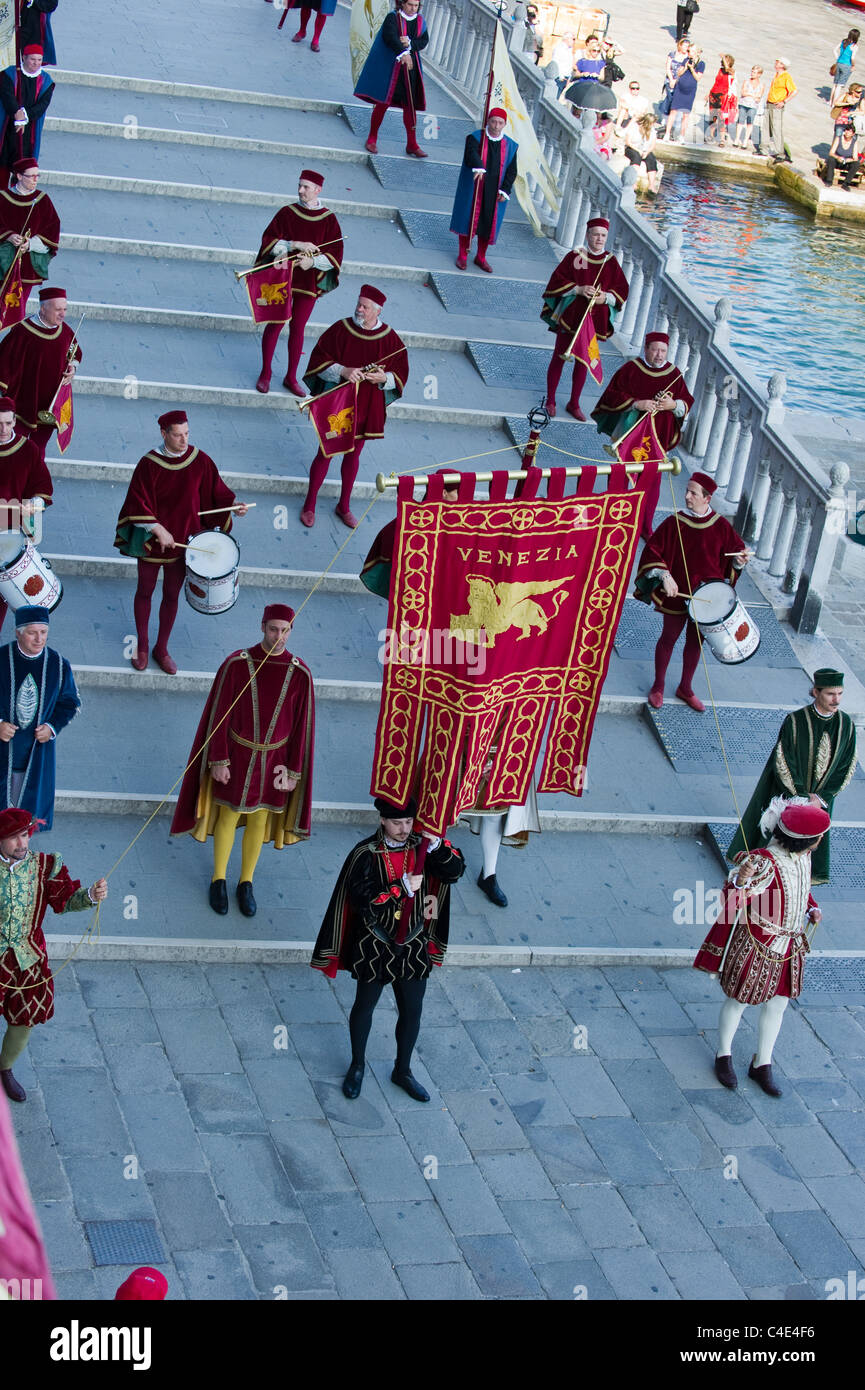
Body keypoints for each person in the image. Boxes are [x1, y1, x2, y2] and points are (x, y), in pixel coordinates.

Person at [311, 795, 465, 1102]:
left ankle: (403, 1070)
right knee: (364, 1006)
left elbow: (455, 872)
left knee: (412, 1010)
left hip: (413, 942)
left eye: (409, 821)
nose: (404, 828)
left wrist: (437, 847)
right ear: (382, 820)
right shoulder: (365, 853)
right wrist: (400, 889)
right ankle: (357, 1066)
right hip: (375, 943)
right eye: (397, 822)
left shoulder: (423, 848)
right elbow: (361, 898)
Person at [171, 604, 315, 918]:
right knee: (229, 817)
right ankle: (218, 879)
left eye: (285, 630)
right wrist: (219, 759)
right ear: (262, 627)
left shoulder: (300, 673)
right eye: (273, 629)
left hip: (275, 761)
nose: (279, 636)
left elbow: (302, 726)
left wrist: (293, 771)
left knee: (261, 820)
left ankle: (245, 882)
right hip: (237, 756)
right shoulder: (236, 664)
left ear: (291, 631)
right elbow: (218, 715)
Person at [694, 800, 830, 1098]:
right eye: (819, 837)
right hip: (758, 945)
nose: (821, 842)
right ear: (806, 839)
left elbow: (801, 891)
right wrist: (741, 881)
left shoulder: (803, 858)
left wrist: (811, 909)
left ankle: (762, 1062)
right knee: (739, 999)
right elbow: (730, 906)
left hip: (789, 947)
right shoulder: (764, 863)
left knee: (778, 1004)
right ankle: (723, 1054)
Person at [114, 410, 248, 675]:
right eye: (177, 435)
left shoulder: (200, 460)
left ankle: (161, 649)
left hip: (186, 543)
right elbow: (136, 502)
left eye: (186, 433)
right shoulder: (149, 464)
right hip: (153, 542)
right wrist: (157, 528)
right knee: (145, 591)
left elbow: (216, 492)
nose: (184, 440)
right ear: (164, 434)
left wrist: (233, 506)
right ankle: (142, 646)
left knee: (171, 595)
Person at [0, 806, 107, 1104]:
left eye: (24, 835)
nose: (22, 843)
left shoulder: (45, 866)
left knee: (23, 1024)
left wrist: (89, 896)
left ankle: (5, 1068)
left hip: (28, 960)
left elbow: (64, 901)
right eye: (12, 838)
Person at [634, 471, 749, 712]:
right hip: (678, 596)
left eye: (693, 493)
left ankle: (685, 687)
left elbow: (736, 551)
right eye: (687, 491)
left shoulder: (720, 525)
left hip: (706, 599)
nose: (686, 496)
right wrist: (665, 575)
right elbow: (652, 551)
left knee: (695, 643)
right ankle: (658, 686)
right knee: (668, 640)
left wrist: (740, 560)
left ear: (707, 499)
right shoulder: (675, 522)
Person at [727, 670, 856, 884]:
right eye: (831, 694)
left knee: (812, 840)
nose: (836, 700)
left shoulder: (846, 725)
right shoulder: (795, 721)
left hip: (821, 800)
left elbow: (847, 765)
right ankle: (762, 873)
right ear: (816, 692)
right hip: (791, 794)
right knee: (779, 839)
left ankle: (801, 877)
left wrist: (821, 798)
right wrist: (803, 797)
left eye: (840, 694)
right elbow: (784, 760)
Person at [300, 284, 408, 529]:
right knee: (325, 453)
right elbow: (318, 359)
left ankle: (344, 506)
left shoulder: (390, 339)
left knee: (353, 455)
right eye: (358, 304)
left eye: (365, 307)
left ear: (377, 311)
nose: (359, 309)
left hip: (367, 405)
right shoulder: (341, 329)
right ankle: (309, 504)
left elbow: (400, 370)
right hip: (339, 404)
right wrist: (344, 370)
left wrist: (385, 379)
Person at [591, 329, 693, 531]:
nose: (659, 355)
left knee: (652, 481)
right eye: (655, 350)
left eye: (663, 351)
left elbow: (687, 401)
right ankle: (613, 519)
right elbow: (611, 396)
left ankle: (645, 525)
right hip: (630, 432)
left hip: (659, 437)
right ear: (646, 349)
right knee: (620, 475)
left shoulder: (674, 374)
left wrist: (673, 405)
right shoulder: (631, 369)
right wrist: (637, 404)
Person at [254, 169, 343, 396]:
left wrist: (312, 264)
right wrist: (294, 244)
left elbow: (335, 254)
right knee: (275, 322)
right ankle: (265, 373)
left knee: (298, 328)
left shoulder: (329, 219)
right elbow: (269, 241)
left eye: (306, 187)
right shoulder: (287, 213)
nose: (300, 190)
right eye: (300, 185)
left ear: (317, 190)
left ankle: (291, 377)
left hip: (308, 281)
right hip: (283, 278)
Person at [541, 216, 629, 421]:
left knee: (583, 361)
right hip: (571, 316)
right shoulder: (576, 256)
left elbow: (622, 290)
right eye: (596, 234)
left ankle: (574, 402)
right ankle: (551, 400)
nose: (599, 239)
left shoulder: (611, 262)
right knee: (559, 357)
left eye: (603, 235)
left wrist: (604, 298)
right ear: (588, 235)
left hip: (593, 322)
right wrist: (578, 289)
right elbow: (556, 280)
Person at [0, 607, 79, 831]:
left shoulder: (58, 664)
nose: (39, 639)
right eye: (32, 633)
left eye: (44, 632)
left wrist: (52, 727)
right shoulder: (1, 659)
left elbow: (70, 702)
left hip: (36, 752)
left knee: (25, 818)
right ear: (18, 633)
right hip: (3, 749)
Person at [0, 286, 80, 460]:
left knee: (38, 450)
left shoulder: (65, 331)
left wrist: (73, 367)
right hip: (22, 404)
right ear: (43, 309)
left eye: (65, 309)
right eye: (58, 309)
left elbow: (75, 352)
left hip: (49, 407)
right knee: (14, 447)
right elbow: (3, 362)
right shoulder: (22, 332)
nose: (63, 314)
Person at [0, 396, 53, 635]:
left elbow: (43, 487)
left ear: (14, 422)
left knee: (3, 589)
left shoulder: (28, 450)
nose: (3, 429)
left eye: (8, 423)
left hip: (10, 530)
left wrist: (33, 504)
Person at [354, 0, 429, 158]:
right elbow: (390, 38)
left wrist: (410, 44)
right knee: (382, 103)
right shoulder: (392, 18)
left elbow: (423, 40)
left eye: (416, 6)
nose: (412, 9)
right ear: (402, 4)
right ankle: (372, 137)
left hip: (410, 70)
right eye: (410, 5)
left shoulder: (420, 21)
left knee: (410, 105)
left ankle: (412, 143)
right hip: (392, 67)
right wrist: (403, 53)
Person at [449, 107, 518, 273]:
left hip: (495, 190)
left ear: (504, 124)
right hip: (475, 186)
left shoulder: (510, 145)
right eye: (493, 121)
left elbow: (512, 170)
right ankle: (462, 255)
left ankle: (481, 256)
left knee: (488, 222)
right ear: (488, 121)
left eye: (500, 123)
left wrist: (505, 190)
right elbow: (470, 155)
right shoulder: (475, 138)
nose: (496, 126)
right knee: (468, 218)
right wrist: (478, 166)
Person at [0, 157, 59, 293]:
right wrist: (9, 236)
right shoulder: (3, 198)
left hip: (27, 265)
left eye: (37, 175)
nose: (35, 179)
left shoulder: (42, 200)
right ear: (19, 176)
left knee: (18, 305)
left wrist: (30, 244)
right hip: (3, 262)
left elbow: (52, 228)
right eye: (31, 176)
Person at [0, 45, 54, 166]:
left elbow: (43, 105)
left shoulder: (46, 81)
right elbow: (7, 95)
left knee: (23, 161)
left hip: (30, 127)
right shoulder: (10, 74)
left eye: (39, 60)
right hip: (8, 122)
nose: (36, 63)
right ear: (24, 58)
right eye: (32, 59)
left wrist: (24, 115)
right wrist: (16, 113)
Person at [663, 45, 705, 143]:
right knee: (673, 111)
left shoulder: (701, 64)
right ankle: (667, 134)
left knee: (686, 114)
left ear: (697, 52)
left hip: (690, 91)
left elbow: (698, 78)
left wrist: (692, 69)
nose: (688, 53)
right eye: (688, 51)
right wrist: (686, 67)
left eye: (690, 51)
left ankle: (681, 135)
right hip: (680, 88)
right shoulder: (686, 60)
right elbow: (679, 73)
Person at [766, 57, 796, 163]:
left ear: (782, 65)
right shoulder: (777, 74)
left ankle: (782, 154)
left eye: (778, 62)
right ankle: (777, 151)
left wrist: (784, 101)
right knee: (769, 128)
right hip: (770, 103)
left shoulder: (786, 76)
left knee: (777, 129)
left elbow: (794, 91)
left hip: (777, 105)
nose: (775, 63)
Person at [622, 113, 660, 193]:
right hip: (632, 148)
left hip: (644, 149)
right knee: (636, 157)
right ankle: (633, 182)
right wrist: (638, 150)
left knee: (651, 159)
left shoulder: (652, 131)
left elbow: (653, 145)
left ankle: (651, 185)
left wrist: (647, 152)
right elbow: (628, 142)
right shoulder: (634, 127)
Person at [658, 37, 691, 127]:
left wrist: (676, 80)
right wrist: (671, 79)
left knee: (676, 100)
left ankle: (673, 118)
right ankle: (665, 115)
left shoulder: (688, 58)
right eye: (684, 46)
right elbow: (668, 67)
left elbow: (684, 70)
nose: (686, 48)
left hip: (680, 81)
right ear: (680, 45)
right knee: (670, 97)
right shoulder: (672, 54)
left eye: (687, 46)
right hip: (670, 79)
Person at [707, 54, 737, 145]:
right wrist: (709, 93)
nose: (722, 62)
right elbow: (716, 82)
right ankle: (711, 136)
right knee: (713, 117)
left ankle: (722, 139)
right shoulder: (720, 70)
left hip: (723, 97)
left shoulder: (731, 72)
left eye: (725, 60)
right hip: (714, 95)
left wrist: (723, 57)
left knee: (721, 118)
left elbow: (728, 69)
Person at [18, 1, 59, 67]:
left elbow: (51, 5)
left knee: (31, 64)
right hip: (13, 29)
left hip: (35, 32)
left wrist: (32, 1)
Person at [821, 123, 860, 189]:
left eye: (850, 131)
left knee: (856, 164)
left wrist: (848, 160)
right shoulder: (838, 138)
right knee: (831, 159)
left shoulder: (854, 142)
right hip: (837, 160)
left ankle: (846, 183)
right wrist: (838, 157)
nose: (847, 132)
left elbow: (855, 158)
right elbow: (831, 152)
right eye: (846, 130)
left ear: (853, 134)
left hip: (847, 162)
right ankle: (829, 180)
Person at [733, 66, 765, 149]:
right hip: (743, 104)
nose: (752, 73)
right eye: (752, 71)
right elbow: (743, 93)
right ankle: (737, 139)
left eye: (754, 72)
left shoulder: (762, 85)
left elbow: (759, 97)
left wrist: (750, 94)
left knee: (750, 123)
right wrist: (752, 95)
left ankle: (745, 141)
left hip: (753, 106)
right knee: (740, 121)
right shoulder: (746, 81)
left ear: (759, 74)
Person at [831, 28, 860, 109]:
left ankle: (830, 101)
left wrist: (837, 58)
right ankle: (834, 103)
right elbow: (852, 58)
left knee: (835, 84)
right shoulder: (854, 46)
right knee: (840, 85)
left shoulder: (844, 41)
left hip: (839, 63)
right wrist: (853, 65)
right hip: (846, 65)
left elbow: (834, 50)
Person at [548, 32, 575, 98]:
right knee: (554, 97)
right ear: (567, 39)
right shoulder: (559, 48)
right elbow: (555, 62)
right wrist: (560, 76)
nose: (574, 41)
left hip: (565, 78)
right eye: (573, 39)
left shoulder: (569, 50)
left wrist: (569, 77)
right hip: (559, 77)